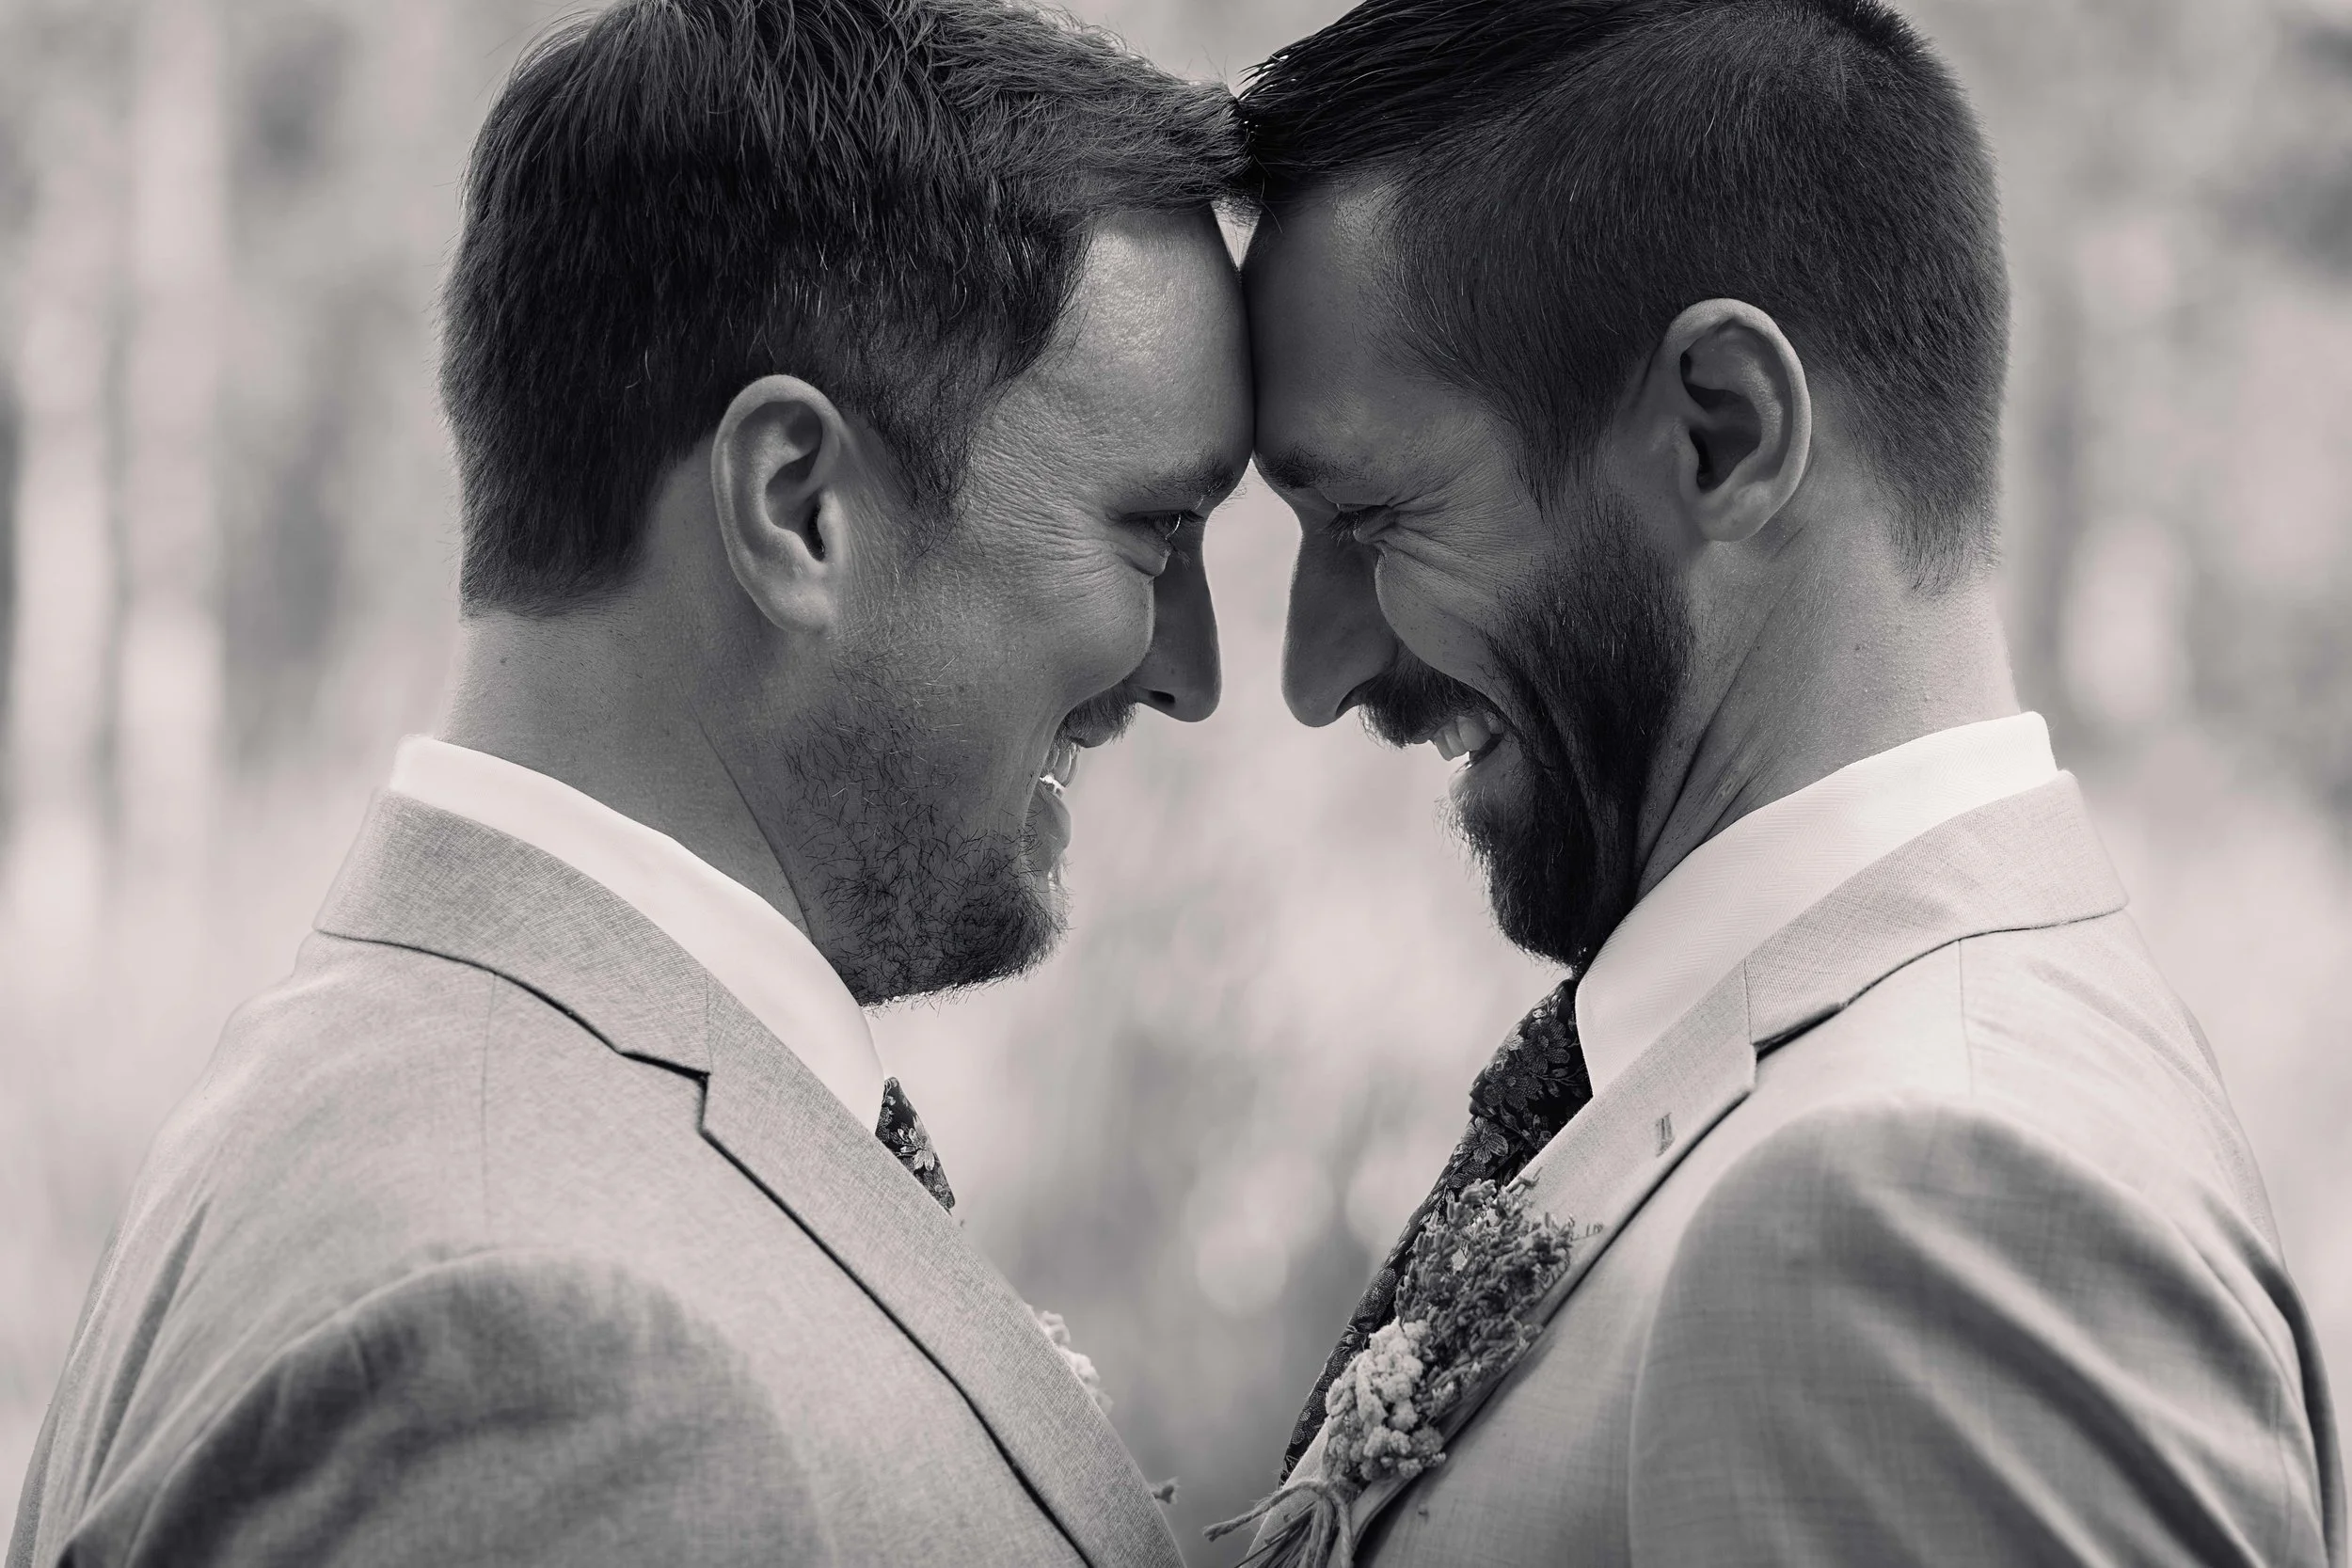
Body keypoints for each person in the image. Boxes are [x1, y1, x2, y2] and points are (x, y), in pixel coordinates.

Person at [8, 2, 1248, 1563]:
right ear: (798, 506)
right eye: (1156, 534)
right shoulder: (542, 1355)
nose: (1193, 671)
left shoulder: (381, 1062)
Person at [1238, 0, 2344, 1562]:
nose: (1314, 672)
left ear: (1723, 430)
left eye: (1371, 519)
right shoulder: (1881, 1089)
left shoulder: (1908, 1201)